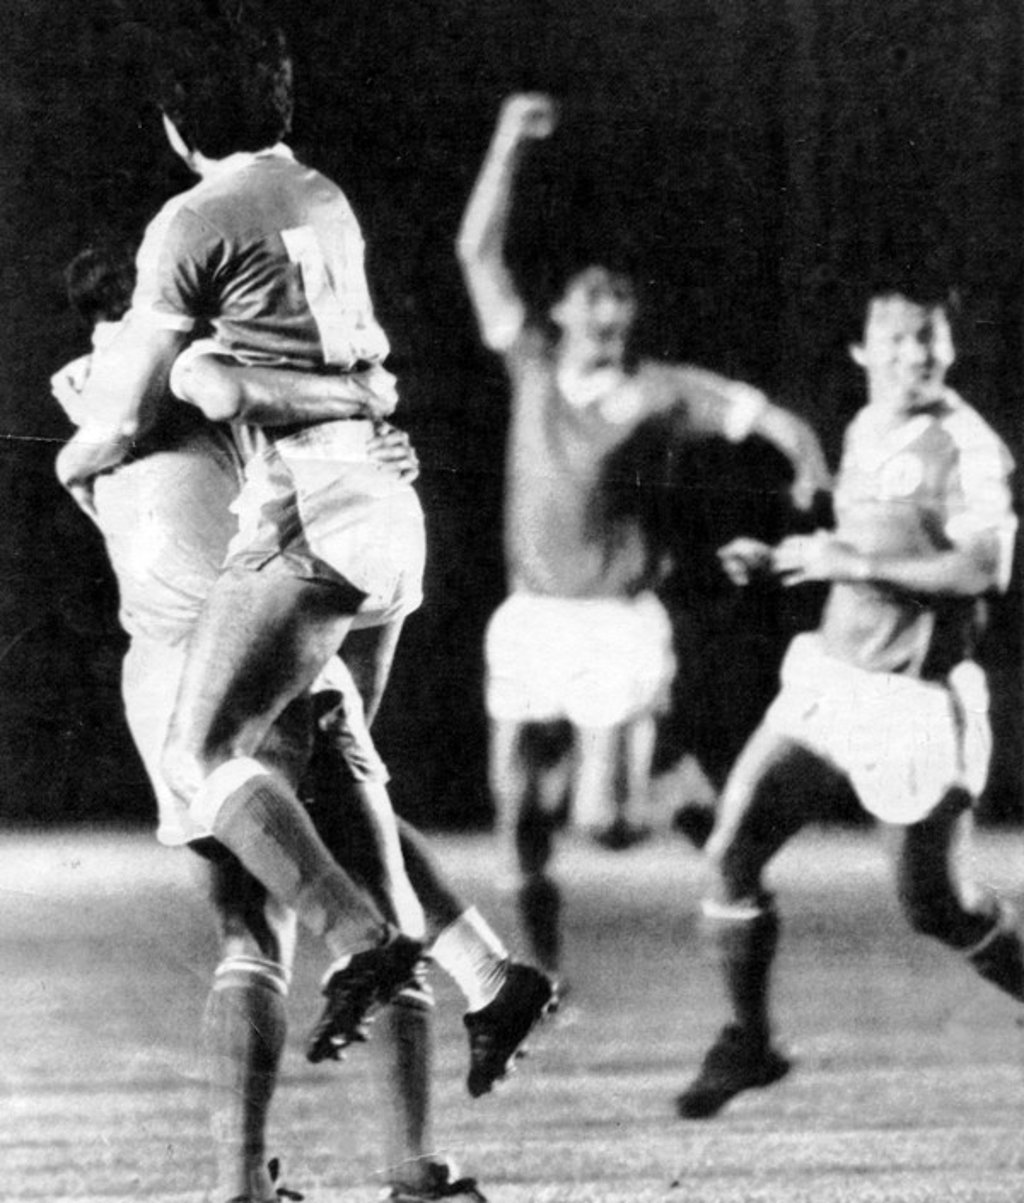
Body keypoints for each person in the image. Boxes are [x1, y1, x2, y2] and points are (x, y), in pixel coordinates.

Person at [56, 3, 553, 1081]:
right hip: (385, 510)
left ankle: (361, 938)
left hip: (309, 520)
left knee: (205, 758)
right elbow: (362, 376)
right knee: (336, 770)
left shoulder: (189, 230)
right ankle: (485, 972)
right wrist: (359, 397)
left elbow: (141, 403)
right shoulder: (321, 196)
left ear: (176, 124)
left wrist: (74, 454)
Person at [54, 243, 493, 1201]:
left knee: (247, 931)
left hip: (164, 675)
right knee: (379, 907)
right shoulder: (185, 361)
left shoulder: (84, 388)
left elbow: (115, 470)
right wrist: (369, 416)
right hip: (261, 651)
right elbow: (259, 414)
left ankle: (241, 1183)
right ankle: (415, 1167)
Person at [455, 92, 832, 978]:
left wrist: (809, 466)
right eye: (595, 292)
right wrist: (506, 140)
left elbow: (770, 419)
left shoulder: (663, 390)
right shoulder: (535, 364)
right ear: (564, 305)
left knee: (606, 825)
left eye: (622, 293)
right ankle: (539, 981)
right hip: (533, 612)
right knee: (516, 813)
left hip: (617, 619)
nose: (612, 307)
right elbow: (477, 251)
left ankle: (676, 785)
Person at [676, 284, 1021, 1120]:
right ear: (864, 351)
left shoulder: (967, 447)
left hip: (914, 702)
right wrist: (788, 558)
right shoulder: (867, 427)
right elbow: (863, 543)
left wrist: (850, 566)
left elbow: (983, 572)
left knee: (936, 907)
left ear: (950, 345)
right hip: (831, 682)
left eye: (928, 338)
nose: (915, 354)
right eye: (897, 339)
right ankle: (750, 1041)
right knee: (731, 851)